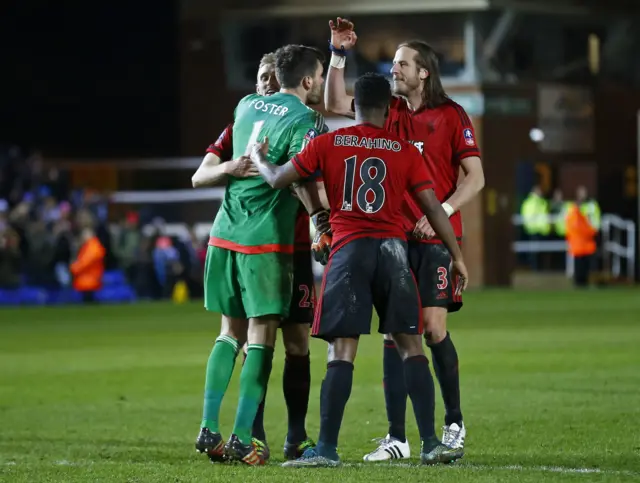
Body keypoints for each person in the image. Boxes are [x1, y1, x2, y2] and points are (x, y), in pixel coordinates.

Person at [249, 72, 469, 467]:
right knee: (411, 346)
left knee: (342, 350)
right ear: (387, 108)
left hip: (349, 252)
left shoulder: (328, 143)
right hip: (393, 253)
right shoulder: (404, 150)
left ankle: (328, 450)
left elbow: (283, 180)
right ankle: (432, 443)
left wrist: (262, 160)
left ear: (354, 107)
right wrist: (457, 256)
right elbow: (433, 207)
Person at [324, 18, 485, 460]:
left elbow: (476, 179)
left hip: (435, 238)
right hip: (392, 239)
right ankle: (397, 438)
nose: (393, 70)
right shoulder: (387, 111)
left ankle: (453, 423)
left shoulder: (451, 116)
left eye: (401, 64)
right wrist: (338, 54)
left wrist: (444, 215)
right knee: (395, 336)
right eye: (392, 64)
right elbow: (336, 100)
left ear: (423, 72)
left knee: (432, 329)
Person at [193, 44, 330, 466]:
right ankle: (242, 438)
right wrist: (324, 222)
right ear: (307, 81)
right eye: (320, 76)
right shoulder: (308, 121)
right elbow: (301, 179)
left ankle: (209, 428)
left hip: (224, 235)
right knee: (261, 338)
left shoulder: (246, 105)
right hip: (267, 243)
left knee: (228, 333)